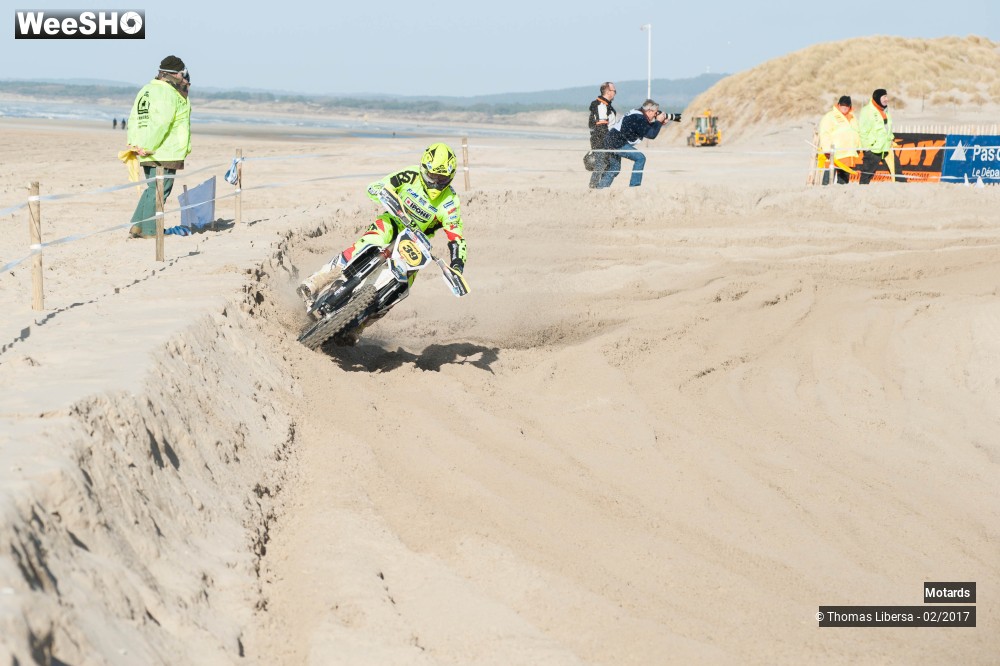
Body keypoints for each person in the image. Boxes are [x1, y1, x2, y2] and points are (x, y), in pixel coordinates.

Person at [297, 142, 467, 327]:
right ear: (423, 168)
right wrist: (382, 192)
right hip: (392, 222)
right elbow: (376, 186)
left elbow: (456, 238)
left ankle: (359, 327)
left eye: (441, 179)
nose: (435, 182)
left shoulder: (450, 201)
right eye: (432, 176)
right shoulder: (410, 175)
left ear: (450, 177)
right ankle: (313, 283)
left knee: (402, 287)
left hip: (417, 241)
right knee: (366, 244)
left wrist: (457, 267)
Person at [126, 55, 191, 237]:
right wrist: (146, 146)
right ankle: (149, 230)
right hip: (163, 150)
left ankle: (138, 226)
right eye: (181, 74)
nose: (183, 77)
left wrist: (135, 143)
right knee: (161, 190)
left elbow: (134, 118)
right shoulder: (168, 93)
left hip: (148, 148)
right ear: (172, 74)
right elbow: (161, 123)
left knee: (152, 189)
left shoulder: (146, 90)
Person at [595, 99, 680, 189]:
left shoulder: (636, 113)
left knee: (614, 168)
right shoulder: (639, 118)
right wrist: (658, 122)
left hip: (610, 140)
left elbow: (644, 128)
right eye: (655, 113)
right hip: (617, 143)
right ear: (649, 111)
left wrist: (659, 123)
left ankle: (601, 188)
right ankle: (634, 187)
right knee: (640, 158)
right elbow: (651, 135)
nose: (656, 115)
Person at [817, 95, 862, 185]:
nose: (844, 107)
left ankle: (841, 195)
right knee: (829, 176)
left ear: (850, 106)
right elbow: (825, 133)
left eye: (847, 106)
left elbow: (857, 132)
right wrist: (827, 149)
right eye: (842, 105)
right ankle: (824, 193)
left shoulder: (853, 117)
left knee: (843, 181)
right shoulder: (830, 116)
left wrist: (859, 147)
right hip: (834, 153)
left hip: (848, 153)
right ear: (838, 105)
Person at [858, 88, 898, 184]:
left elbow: (887, 127)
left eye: (886, 97)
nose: (886, 99)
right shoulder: (867, 111)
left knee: (897, 172)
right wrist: (867, 148)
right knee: (866, 176)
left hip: (886, 147)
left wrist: (891, 139)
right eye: (884, 97)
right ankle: (861, 195)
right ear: (877, 98)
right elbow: (863, 131)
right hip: (873, 149)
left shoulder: (885, 110)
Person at [587, 82, 617, 188]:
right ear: (608, 92)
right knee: (601, 165)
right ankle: (594, 187)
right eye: (614, 91)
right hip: (600, 140)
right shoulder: (601, 105)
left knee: (608, 165)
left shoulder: (606, 105)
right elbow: (601, 128)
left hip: (605, 139)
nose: (615, 93)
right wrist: (608, 142)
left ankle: (600, 187)